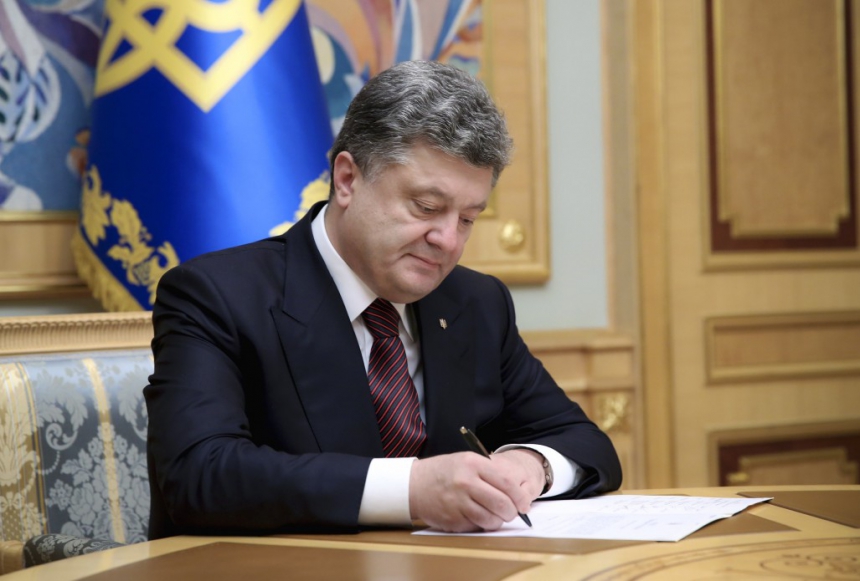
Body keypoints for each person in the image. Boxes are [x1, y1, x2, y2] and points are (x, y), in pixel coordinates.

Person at [144, 60, 621, 539]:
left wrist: (531, 463)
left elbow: (585, 443)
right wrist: (412, 489)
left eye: (468, 219)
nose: (448, 240)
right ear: (347, 180)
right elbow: (197, 475)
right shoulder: (218, 295)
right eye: (427, 207)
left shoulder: (476, 302)